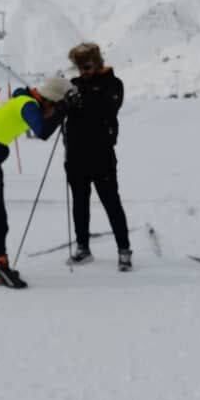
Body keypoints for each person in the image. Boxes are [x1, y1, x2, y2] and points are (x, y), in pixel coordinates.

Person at [0, 77, 72, 288]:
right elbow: (42, 132)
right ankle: (0, 266)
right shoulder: (27, 104)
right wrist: (64, 109)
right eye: (54, 105)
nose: (52, 110)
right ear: (49, 100)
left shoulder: (24, 100)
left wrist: (61, 109)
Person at [64, 43, 133, 272]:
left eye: (87, 65)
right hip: (75, 156)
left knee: (111, 202)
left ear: (97, 62)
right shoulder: (73, 86)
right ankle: (83, 247)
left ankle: (124, 249)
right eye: (80, 67)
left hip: (101, 154)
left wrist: (81, 100)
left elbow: (108, 107)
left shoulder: (113, 84)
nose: (84, 71)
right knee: (80, 204)